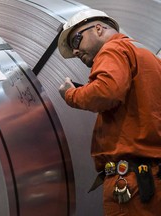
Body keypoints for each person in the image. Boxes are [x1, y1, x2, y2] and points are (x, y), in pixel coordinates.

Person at [57, 8, 161, 216]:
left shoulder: (113, 49)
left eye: (76, 41)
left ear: (98, 29)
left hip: (132, 184)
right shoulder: (146, 56)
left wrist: (71, 94)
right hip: (153, 179)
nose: (75, 51)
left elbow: (106, 92)